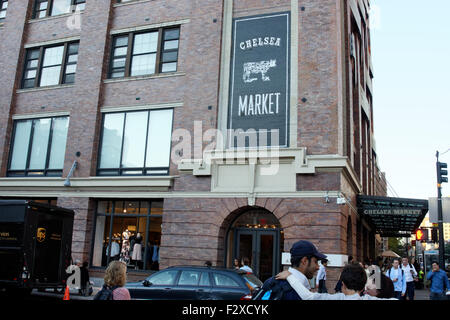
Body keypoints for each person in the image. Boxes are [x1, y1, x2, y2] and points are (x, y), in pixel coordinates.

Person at [276, 263, 397, 300]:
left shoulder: (336, 298)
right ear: (362, 287)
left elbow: (307, 296)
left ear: (343, 284)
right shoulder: (368, 299)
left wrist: (289, 276)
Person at [254, 240, 326, 300]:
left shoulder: (271, 281)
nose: (318, 267)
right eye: (315, 262)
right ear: (304, 261)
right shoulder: (296, 291)